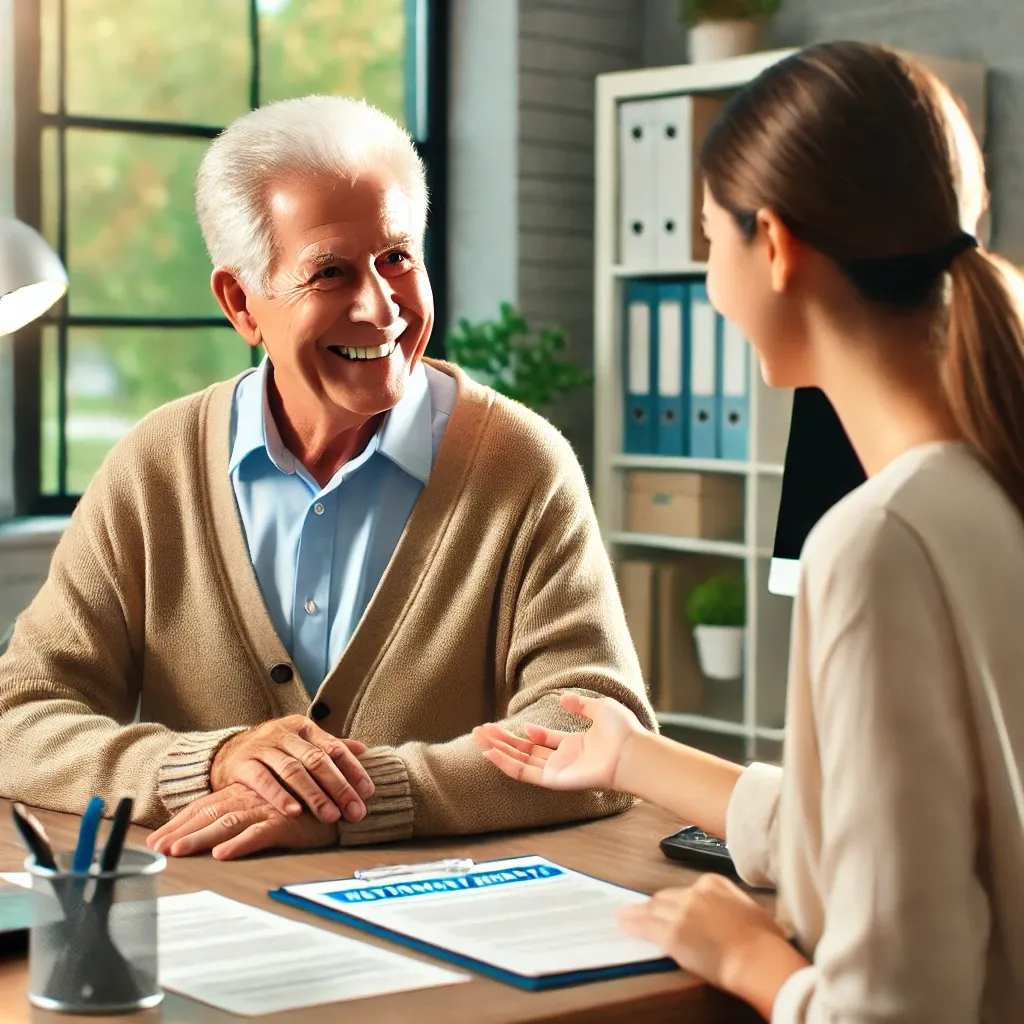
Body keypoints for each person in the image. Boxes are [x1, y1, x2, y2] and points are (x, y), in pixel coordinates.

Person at [475, 41, 1024, 1023]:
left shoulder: (878, 543)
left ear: (771, 244)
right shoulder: (987, 486)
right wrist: (633, 757)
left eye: (704, 239)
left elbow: (894, 1009)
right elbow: (906, 834)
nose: (706, 277)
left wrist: (744, 957)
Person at [0, 95, 656, 860]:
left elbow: (600, 729)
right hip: (210, 926)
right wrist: (205, 766)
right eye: (331, 273)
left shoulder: (521, 467)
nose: (381, 309)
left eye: (398, 259)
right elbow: (21, 714)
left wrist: (359, 799)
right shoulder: (156, 468)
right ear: (241, 303)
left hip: (447, 939)